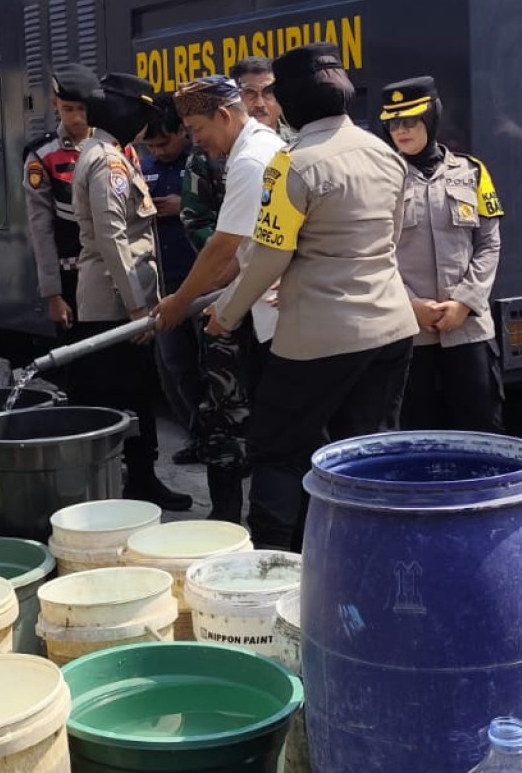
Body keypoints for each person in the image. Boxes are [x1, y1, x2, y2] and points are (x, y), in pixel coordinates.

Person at [210, 44, 417, 550]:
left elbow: (267, 257)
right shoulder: (384, 153)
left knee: (277, 448)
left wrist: (226, 313)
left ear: (295, 101)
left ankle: (275, 565)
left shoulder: (293, 165)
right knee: (365, 453)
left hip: (318, 339)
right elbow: (392, 239)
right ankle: (365, 553)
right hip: (391, 328)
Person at [158, 75, 288, 522]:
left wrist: (179, 302)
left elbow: (223, 247)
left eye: (196, 128)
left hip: (261, 312)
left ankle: (238, 524)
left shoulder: (251, 159)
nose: (195, 139)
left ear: (225, 115)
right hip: (255, 301)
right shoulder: (264, 145)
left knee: (234, 420)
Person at [72, 73, 189, 510]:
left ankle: (141, 478)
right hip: (116, 303)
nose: (145, 124)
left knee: (136, 392)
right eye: (141, 113)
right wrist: (137, 306)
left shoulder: (108, 154)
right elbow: (112, 237)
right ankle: (131, 483)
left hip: (120, 299)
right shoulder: (108, 162)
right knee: (124, 394)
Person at [375, 76, 506, 433]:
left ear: (431, 118)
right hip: (408, 331)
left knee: (480, 431)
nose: (400, 131)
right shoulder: (380, 180)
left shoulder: (472, 172)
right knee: (416, 435)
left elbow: (488, 244)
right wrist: (411, 305)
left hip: (468, 329)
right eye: (393, 123)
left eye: (410, 121)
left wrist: (465, 301)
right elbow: (374, 254)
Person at [138, 105, 202, 456]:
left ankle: (222, 436)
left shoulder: (203, 162)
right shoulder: (141, 167)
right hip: (164, 283)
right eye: (152, 146)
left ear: (183, 131)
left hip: (205, 282)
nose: (158, 152)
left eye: (164, 143)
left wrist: (185, 205)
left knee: (212, 367)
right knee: (174, 364)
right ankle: (195, 432)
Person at [25, 65, 97, 330]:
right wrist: (53, 295)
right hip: (71, 277)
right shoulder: (42, 155)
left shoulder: (115, 145)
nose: (77, 118)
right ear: (54, 104)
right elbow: (40, 228)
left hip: (116, 274)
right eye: (68, 109)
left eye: (83, 108)